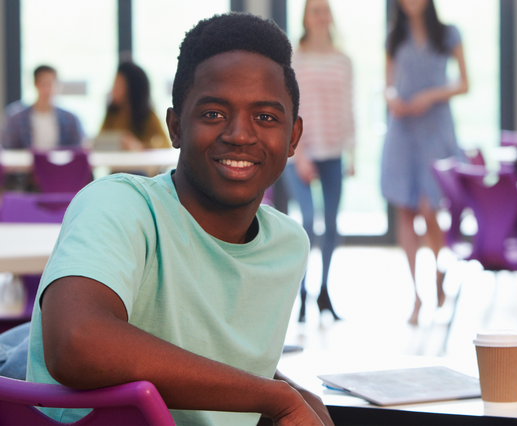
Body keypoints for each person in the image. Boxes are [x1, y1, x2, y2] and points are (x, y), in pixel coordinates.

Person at [27, 13, 333, 426]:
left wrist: (288, 393)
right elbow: (75, 342)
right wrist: (273, 397)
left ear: (293, 137)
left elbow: (216, 359)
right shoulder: (121, 204)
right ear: (175, 127)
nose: (240, 134)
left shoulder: (287, 245)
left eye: (265, 117)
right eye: (213, 114)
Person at [380, 0, 468, 325]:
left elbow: (464, 82)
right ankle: (417, 295)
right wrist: (392, 98)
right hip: (402, 131)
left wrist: (430, 96)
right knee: (406, 210)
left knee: (430, 208)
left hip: (435, 129)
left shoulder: (448, 34)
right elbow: (386, 82)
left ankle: (440, 268)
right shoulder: (394, 36)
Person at [284, 0, 355, 323]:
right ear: (306, 18)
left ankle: (324, 291)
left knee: (332, 224)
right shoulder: (293, 59)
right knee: (308, 222)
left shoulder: (343, 61)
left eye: (325, 9)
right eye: (315, 10)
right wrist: (298, 156)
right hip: (299, 153)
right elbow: (288, 109)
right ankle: (301, 294)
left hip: (333, 153)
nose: (321, 16)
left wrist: (351, 152)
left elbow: (348, 107)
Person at [1, 65, 85, 150]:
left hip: (61, 163)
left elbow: (80, 149)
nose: (47, 89)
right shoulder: (16, 118)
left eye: (51, 84)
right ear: (35, 84)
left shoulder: (70, 119)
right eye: (43, 84)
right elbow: (7, 149)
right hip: (27, 163)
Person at [98, 61, 170, 151]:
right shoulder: (112, 113)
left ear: (131, 88)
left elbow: (166, 144)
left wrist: (141, 146)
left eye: (117, 84)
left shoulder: (147, 115)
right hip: (116, 164)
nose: (113, 89)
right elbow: (99, 141)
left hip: (140, 164)